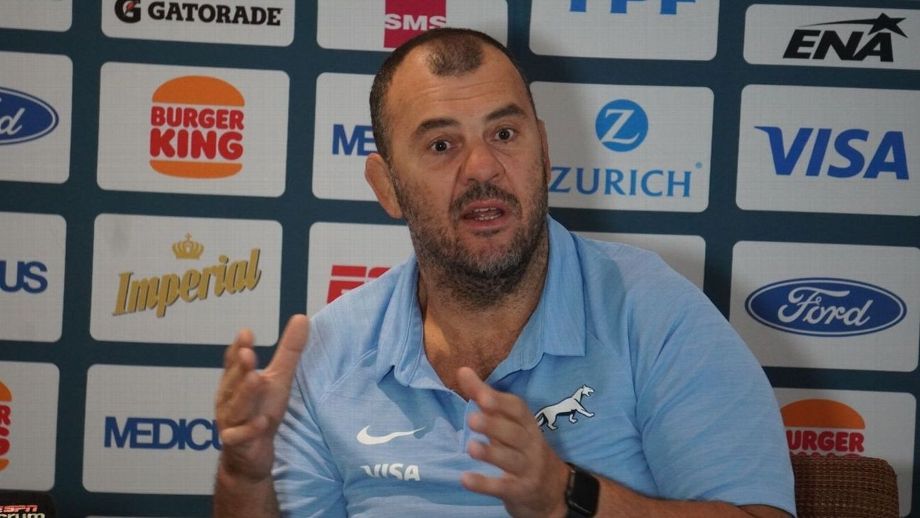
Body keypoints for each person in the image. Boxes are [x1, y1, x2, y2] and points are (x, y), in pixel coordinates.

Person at [213, 28, 795, 517]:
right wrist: (244, 477)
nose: (483, 167)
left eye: (505, 134)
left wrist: (569, 497)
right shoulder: (330, 351)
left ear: (544, 151)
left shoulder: (653, 311)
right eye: (442, 145)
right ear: (386, 187)